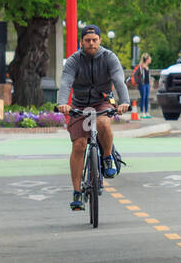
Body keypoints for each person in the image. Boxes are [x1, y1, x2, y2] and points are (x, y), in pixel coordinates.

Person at [56, 25, 130, 212]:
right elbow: (65, 82)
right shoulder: (74, 60)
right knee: (79, 144)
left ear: (100, 41)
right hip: (79, 105)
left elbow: (119, 80)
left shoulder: (109, 58)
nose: (91, 43)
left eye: (94, 40)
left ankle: (106, 158)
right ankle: (76, 193)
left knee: (104, 122)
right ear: (81, 42)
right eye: (87, 40)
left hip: (102, 101)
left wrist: (125, 102)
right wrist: (63, 103)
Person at [134, 53, 153, 118]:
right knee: (143, 98)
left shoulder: (147, 67)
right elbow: (135, 75)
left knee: (147, 98)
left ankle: (147, 112)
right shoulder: (141, 67)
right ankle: (142, 112)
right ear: (146, 59)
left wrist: (150, 85)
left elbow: (149, 77)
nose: (150, 60)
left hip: (147, 85)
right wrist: (137, 82)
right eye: (149, 59)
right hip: (142, 85)